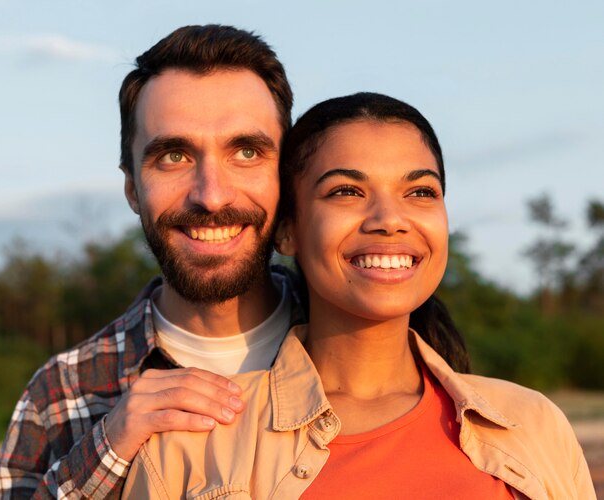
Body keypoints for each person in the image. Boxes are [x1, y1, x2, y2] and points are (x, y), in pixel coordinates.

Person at [122, 92, 596, 499]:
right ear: (286, 232)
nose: (389, 219)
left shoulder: (532, 424)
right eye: (347, 191)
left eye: (421, 192)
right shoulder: (194, 441)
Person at [0, 24, 299, 498]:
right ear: (132, 187)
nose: (211, 197)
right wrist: (104, 451)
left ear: (287, 176)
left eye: (247, 152)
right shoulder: (60, 394)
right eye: (174, 156)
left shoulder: (371, 351)